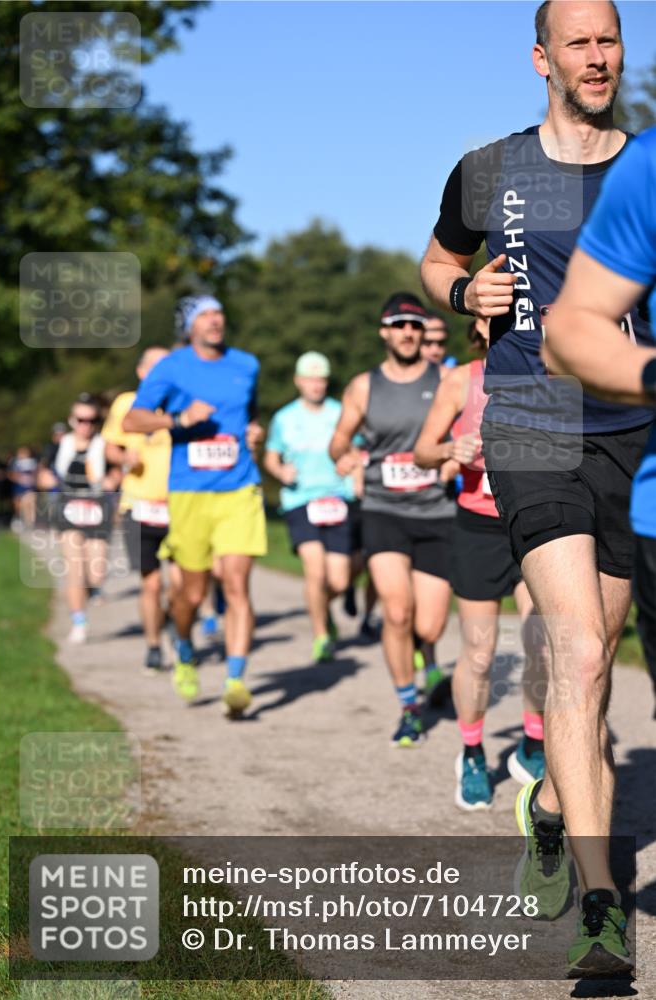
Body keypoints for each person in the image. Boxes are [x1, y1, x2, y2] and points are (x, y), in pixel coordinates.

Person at [420, 0, 652, 976]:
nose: (596, 57)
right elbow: (438, 261)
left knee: (591, 674)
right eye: (577, 43)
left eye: (609, 40)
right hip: (530, 414)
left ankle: (552, 806)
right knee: (579, 648)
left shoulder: (643, 166)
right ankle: (602, 909)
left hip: (631, 426)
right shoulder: (490, 169)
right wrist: (460, 291)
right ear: (540, 58)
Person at [544, 126, 656, 713]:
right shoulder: (649, 163)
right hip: (539, 425)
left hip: (626, 444)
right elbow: (569, 330)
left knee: (594, 648)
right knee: (582, 650)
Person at [414, 317, 547, 809]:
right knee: (479, 652)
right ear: (478, 324)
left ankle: (533, 741)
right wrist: (451, 448)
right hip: (479, 527)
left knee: (542, 641)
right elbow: (422, 451)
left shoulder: (550, 373)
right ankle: (472, 753)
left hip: (535, 522)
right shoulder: (461, 380)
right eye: (494, 316)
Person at [123, 294, 266, 717]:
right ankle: (184, 647)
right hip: (190, 492)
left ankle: (235, 681)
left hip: (239, 488)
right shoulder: (171, 367)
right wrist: (179, 420)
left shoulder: (246, 364)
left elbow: (250, 412)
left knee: (237, 584)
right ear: (189, 326)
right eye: (205, 314)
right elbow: (133, 420)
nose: (215, 320)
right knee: (191, 592)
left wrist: (254, 431)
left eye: (219, 312)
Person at [330, 291, 455, 747]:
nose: (407, 332)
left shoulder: (447, 380)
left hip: (437, 511)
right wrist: (343, 456)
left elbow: (470, 430)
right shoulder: (364, 386)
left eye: (415, 325)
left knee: (429, 626)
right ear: (384, 331)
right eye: (399, 324)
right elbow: (338, 440)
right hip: (384, 509)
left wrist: (453, 457)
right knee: (397, 612)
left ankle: (424, 656)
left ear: (424, 333)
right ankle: (408, 707)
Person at [264, 351, 355, 661]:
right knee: (315, 572)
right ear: (298, 381)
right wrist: (280, 472)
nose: (316, 385)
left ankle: (323, 610)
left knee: (339, 580)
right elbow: (271, 457)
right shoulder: (284, 418)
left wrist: (353, 469)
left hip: (337, 498)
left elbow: (356, 451)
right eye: (310, 379)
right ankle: (320, 636)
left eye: (321, 380)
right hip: (300, 500)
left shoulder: (341, 413)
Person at [102, 347, 182, 673]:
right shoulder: (126, 404)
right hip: (138, 506)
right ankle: (153, 645)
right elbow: (110, 448)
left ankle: (176, 623)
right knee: (151, 584)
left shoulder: (182, 403)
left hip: (179, 505)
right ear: (141, 372)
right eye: (156, 366)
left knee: (182, 585)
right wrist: (124, 458)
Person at [52, 393, 114, 643]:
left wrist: (113, 480)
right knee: (75, 569)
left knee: (96, 572)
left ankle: (91, 589)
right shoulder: (60, 445)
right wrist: (44, 479)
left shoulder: (105, 445)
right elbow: (45, 472)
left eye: (91, 421)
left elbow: (118, 469)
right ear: (72, 420)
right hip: (68, 510)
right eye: (81, 420)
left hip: (97, 511)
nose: (86, 426)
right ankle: (78, 621)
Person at [7, 446, 37, 531]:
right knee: (18, 505)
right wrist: (20, 478)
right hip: (19, 488)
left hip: (29, 488)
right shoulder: (15, 463)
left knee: (31, 504)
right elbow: (10, 474)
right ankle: (19, 519)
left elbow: (36, 474)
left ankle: (31, 523)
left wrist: (32, 479)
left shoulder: (32, 463)